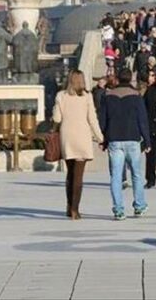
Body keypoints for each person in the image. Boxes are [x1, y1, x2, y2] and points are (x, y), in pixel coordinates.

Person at [99, 68, 151, 220]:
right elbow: (142, 120)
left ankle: (118, 209)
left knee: (116, 176)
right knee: (136, 174)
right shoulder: (136, 97)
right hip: (132, 138)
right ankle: (139, 206)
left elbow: (103, 120)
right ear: (130, 80)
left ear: (117, 79)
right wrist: (147, 140)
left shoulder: (108, 97)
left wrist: (103, 139)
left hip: (114, 139)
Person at [53, 70, 105, 220]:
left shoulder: (61, 96)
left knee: (70, 174)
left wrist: (55, 108)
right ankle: (75, 209)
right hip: (82, 137)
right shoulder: (87, 96)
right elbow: (92, 120)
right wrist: (101, 138)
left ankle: (69, 206)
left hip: (67, 137)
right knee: (78, 176)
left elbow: (57, 118)